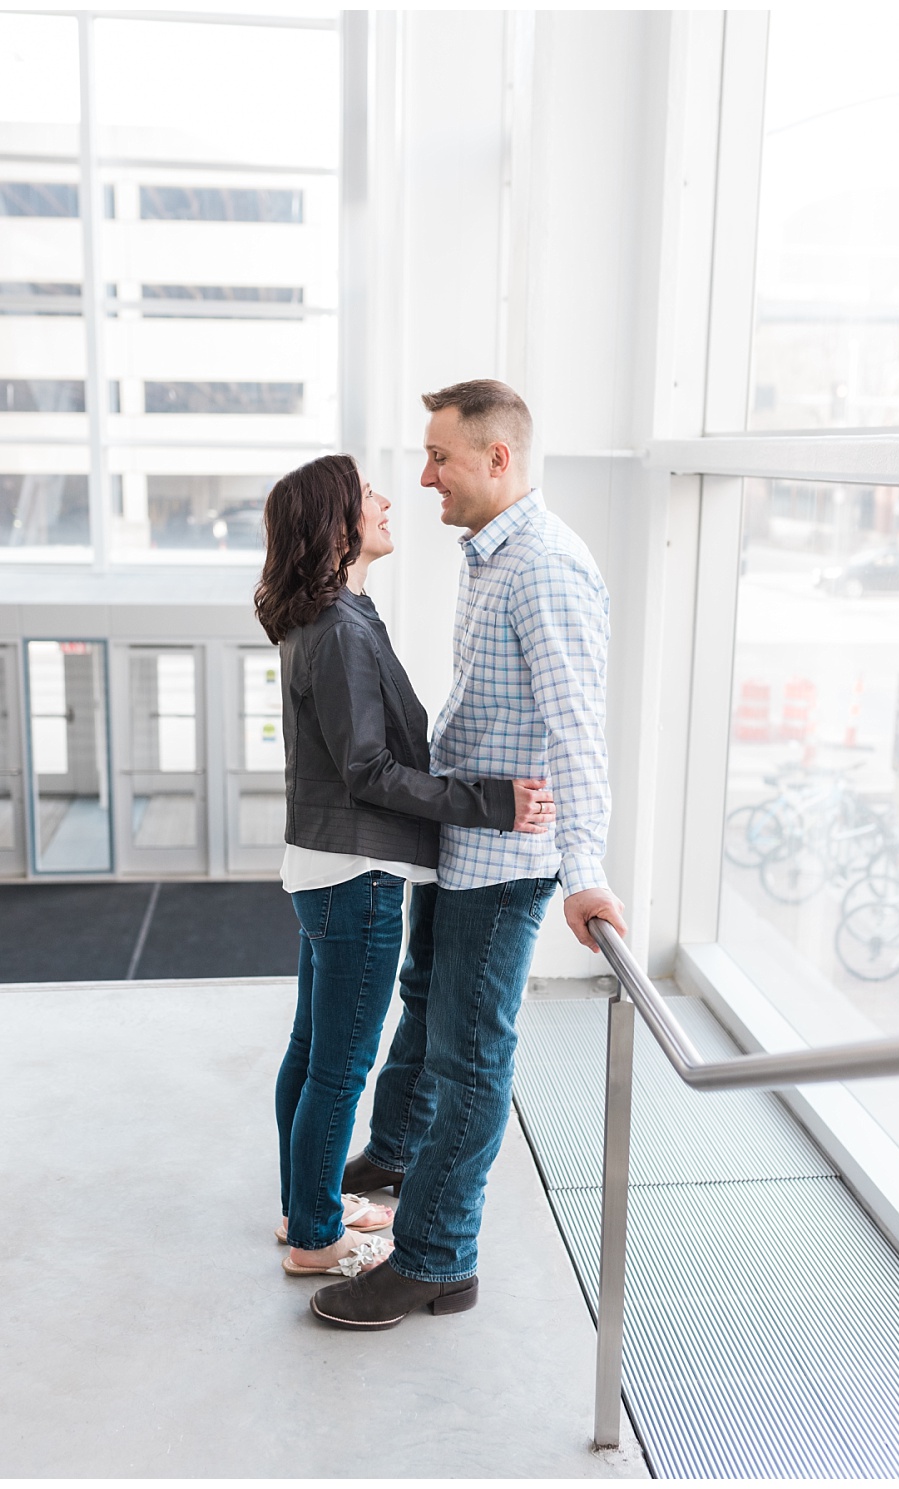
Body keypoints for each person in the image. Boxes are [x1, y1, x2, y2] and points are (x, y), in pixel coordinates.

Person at [310, 380, 627, 1328]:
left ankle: (439, 1259)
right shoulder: (487, 556)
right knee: (422, 1004)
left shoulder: (544, 568)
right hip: (463, 835)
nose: (423, 475)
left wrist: (586, 870)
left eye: (439, 457)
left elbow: (577, 732)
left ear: (498, 459)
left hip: (507, 862)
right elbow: (481, 706)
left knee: (472, 1053)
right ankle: (400, 1153)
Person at [254, 452, 556, 1280]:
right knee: (339, 1065)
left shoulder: (327, 615)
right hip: (359, 874)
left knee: (312, 1051)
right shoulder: (342, 628)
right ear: (338, 524)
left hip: (326, 868)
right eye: (368, 495)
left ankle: (302, 1206)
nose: (389, 502)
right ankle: (316, 1236)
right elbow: (369, 772)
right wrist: (493, 801)